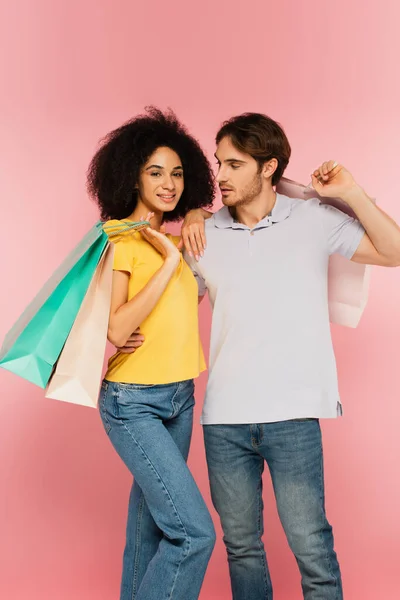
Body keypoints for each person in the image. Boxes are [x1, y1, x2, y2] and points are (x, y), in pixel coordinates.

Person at [126, 112, 400, 599]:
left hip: (293, 416)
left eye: (234, 164)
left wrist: (352, 192)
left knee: (311, 546)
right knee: (242, 548)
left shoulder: (313, 220)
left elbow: (394, 250)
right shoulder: (201, 236)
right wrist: (116, 333)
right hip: (224, 421)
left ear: (269, 166)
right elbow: (170, 306)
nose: (221, 176)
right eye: (218, 163)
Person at [86, 106, 216, 600]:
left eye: (178, 173)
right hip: (132, 400)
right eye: (155, 172)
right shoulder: (120, 238)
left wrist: (200, 213)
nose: (169, 183)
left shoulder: (180, 238)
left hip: (180, 396)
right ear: (131, 175)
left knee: (150, 531)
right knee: (193, 533)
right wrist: (165, 264)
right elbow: (117, 328)